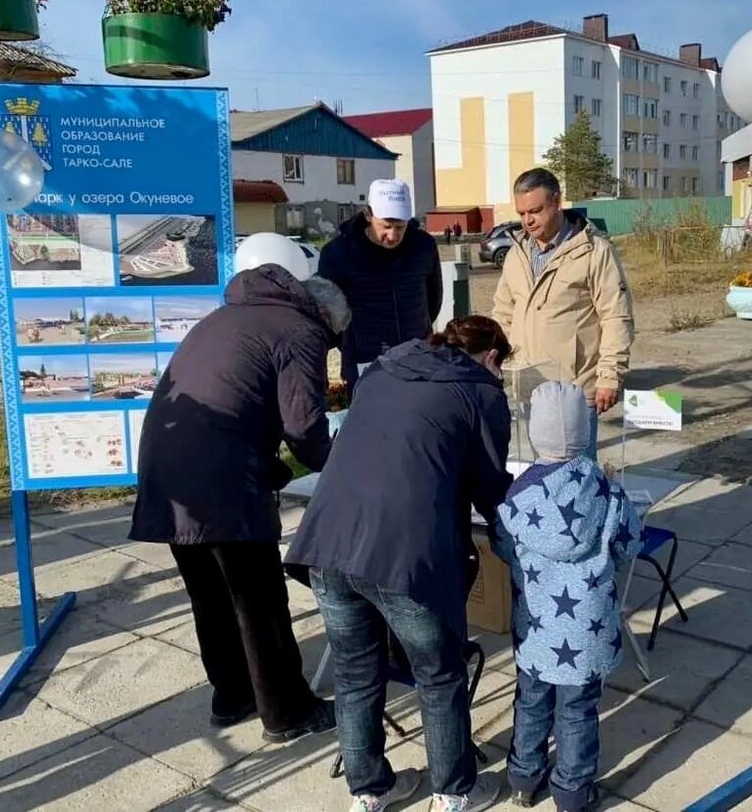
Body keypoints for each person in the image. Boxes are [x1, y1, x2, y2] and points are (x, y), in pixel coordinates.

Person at [286, 315, 514, 812]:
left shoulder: (384, 371)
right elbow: (492, 486)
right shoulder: (481, 393)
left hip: (329, 542)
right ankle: (454, 791)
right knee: (438, 673)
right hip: (406, 558)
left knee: (355, 671)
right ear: (492, 358)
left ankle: (369, 790)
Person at [130, 263, 351, 743]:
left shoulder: (230, 315)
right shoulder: (299, 330)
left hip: (166, 470)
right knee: (258, 598)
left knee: (209, 593)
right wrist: (347, 468)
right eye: (334, 342)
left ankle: (231, 696)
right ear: (325, 320)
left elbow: (239, 402)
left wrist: (272, 467)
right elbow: (303, 428)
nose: (329, 351)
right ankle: (287, 712)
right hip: (219, 479)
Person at [491, 381, 640, 812]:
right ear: (584, 430)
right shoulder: (608, 492)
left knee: (531, 701)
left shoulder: (518, 497)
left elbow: (502, 547)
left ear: (536, 431)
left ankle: (523, 778)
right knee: (577, 711)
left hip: (537, 626)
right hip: (588, 631)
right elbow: (629, 546)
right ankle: (572, 792)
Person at [491, 167, 634, 457]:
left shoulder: (594, 252)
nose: (527, 221)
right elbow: (503, 313)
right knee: (535, 476)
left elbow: (615, 317)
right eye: (521, 214)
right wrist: (494, 363)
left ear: (557, 201)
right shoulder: (517, 254)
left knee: (576, 478)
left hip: (575, 389)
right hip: (526, 389)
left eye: (535, 210)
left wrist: (609, 376)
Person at [318, 178, 442, 389]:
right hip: (365, 360)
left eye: (400, 227)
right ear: (368, 215)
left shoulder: (423, 246)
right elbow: (327, 313)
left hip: (418, 355)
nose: (392, 235)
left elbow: (433, 299)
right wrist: (351, 343)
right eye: (385, 226)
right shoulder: (338, 254)